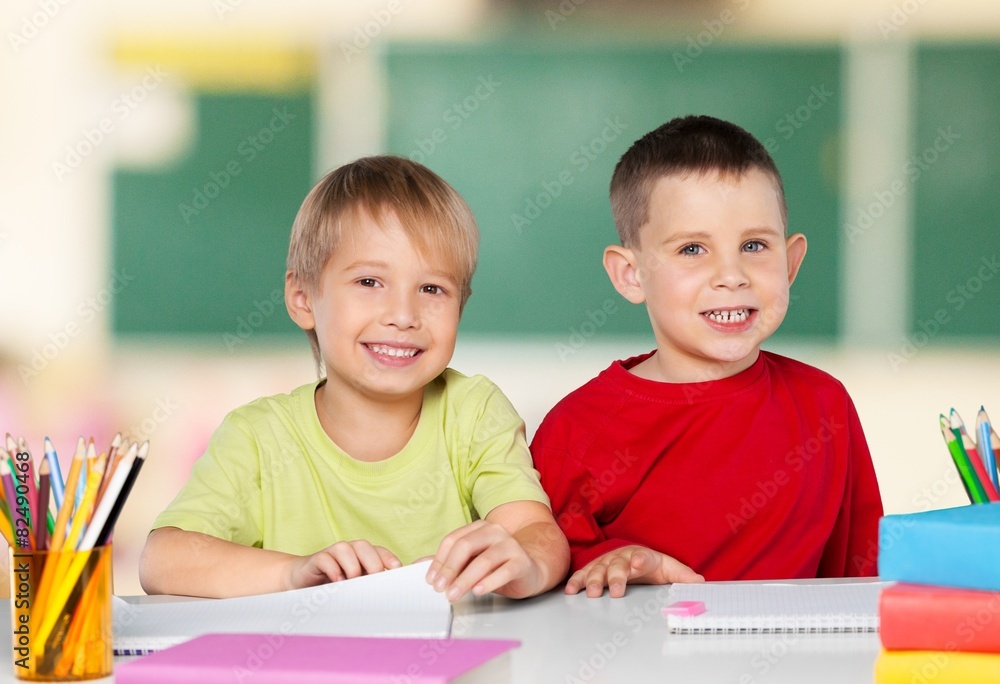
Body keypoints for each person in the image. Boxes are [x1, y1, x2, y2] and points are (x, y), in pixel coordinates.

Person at [140, 155, 569, 600]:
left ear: (462, 304)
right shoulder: (257, 437)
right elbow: (163, 560)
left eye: (432, 289)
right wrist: (296, 574)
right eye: (369, 282)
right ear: (303, 298)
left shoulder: (474, 411)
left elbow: (536, 531)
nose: (403, 316)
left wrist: (526, 563)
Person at [530, 115, 884, 598]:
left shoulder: (825, 406)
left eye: (755, 245)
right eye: (693, 248)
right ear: (630, 275)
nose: (732, 275)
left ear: (791, 261)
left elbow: (860, 582)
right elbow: (543, 587)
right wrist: (610, 563)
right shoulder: (575, 433)